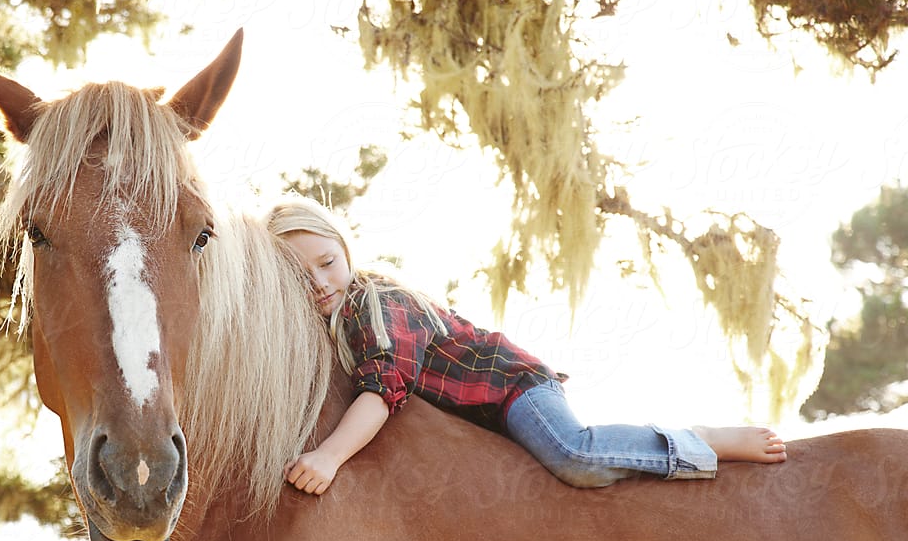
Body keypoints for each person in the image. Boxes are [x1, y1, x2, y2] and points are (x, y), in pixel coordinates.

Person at [264, 196, 787, 495]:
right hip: (488, 416)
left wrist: (330, 456)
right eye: (297, 274)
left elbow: (382, 389)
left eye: (326, 261)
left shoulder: (371, 302)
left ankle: (700, 440)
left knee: (575, 455)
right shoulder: (329, 324)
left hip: (512, 389)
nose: (318, 281)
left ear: (344, 249)